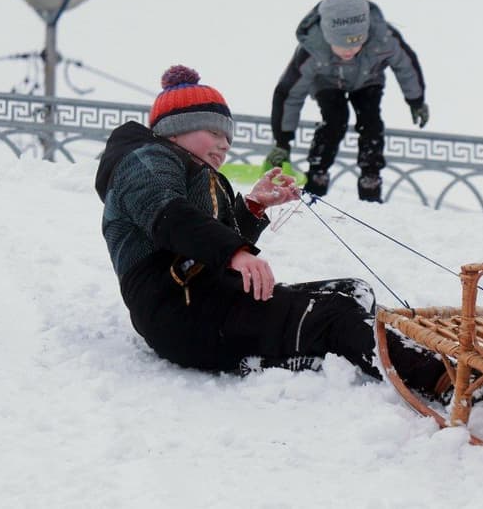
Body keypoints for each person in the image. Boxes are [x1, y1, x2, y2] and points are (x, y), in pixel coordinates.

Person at [95, 64, 446, 396]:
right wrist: (235, 252)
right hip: (182, 315)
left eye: (228, 137)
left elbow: (205, 238)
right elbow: (171, 217)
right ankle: (447, 381)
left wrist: (252, 208)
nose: (224, 144)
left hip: (209, 302)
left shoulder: (193, 171)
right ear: (176, 128)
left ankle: (317, 354)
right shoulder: (144, 161)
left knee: (352, 291)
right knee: (335, 316)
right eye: (214, 131)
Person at [267, 0, 430, 203]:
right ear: (327, 35)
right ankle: (317, 175)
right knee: (335, 119)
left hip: (368, 80)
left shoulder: (383, 38)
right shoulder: (312, 47)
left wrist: (416, 100)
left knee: (371, 122)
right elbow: (289, 94)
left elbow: (406, 65)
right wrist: (283, 141)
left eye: (356, 43)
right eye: (342, 45)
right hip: (327, 82)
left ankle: (370, 179)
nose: (349, 51)